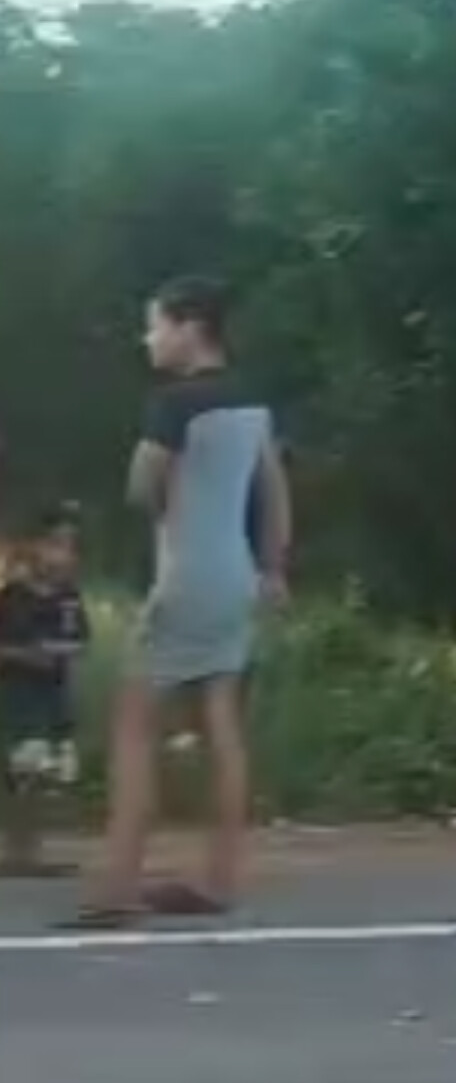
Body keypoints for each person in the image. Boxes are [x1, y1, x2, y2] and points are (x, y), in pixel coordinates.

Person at [77, 276, 293, 928]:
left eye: (155, 324)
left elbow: (141, 486)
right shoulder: (253, 402)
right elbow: (276, 493)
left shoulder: (173, 404)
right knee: (220, 723)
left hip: (188, 575)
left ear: (189, 325)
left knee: (134, 727)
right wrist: (273, 567)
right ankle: (219, 880)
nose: (149, 338)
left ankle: (117, 887)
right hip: (236, 573)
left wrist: (167, 507)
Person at [2, 502, 88, 879]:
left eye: (69, 546)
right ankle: (20, 852)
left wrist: (59, 652)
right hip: (18, 697)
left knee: (43, 776)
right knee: (23, 775)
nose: (61, 555)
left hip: (54, 698)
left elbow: (81, 641)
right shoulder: (12, 596)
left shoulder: (68, 597)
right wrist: (25, 656)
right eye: (54, 544)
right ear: (33, 547)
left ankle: (33, 851)